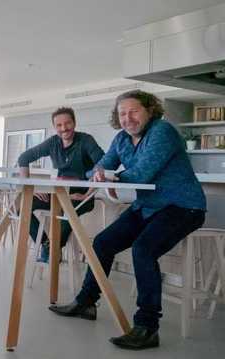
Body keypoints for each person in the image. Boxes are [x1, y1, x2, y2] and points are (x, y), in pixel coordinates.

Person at [49, 90, 206, 350]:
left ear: (150, 111)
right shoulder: (122, 139)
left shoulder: (162, 132)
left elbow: (142, 174)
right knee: (102, 242)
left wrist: (113, 177)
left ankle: (147, 327)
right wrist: (99, 173)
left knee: (143, 250)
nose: (127, 118)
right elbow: (98, 166)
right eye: (122, 113)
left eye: (134, 111)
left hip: (183, 206)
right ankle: (87, 303)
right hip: (147, 206)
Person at [18, 107, 105, 262]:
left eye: (67, 123)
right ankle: (47, 245)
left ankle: (52, 249)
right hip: (59, 192)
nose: (64, 128)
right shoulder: (53, 143)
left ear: (74, 123)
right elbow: (24, 158)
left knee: (68, 208)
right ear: (54, 127)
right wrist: (30, 188)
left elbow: (101, 164)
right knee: (22, 206)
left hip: (82, 195)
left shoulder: (85, 140)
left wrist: (86, 195)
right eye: (59, 125)